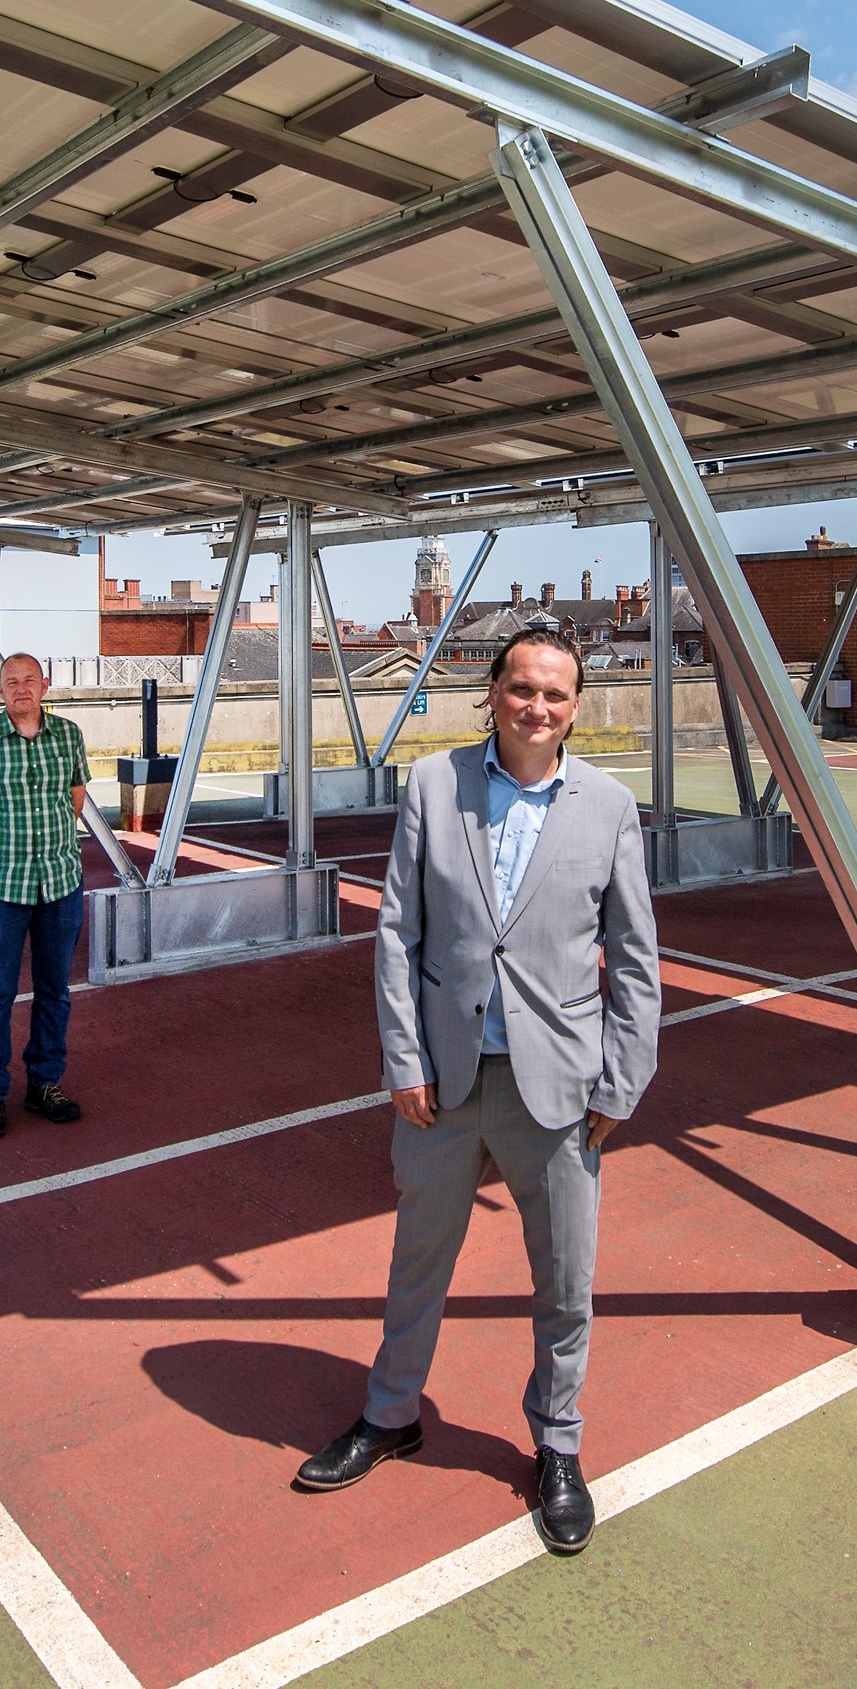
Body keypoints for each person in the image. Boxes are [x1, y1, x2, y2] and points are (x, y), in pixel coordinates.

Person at [295, 623, 660, 1557]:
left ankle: (559, 1446)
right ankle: (390, 1414)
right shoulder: (432, 783)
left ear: (575, 708)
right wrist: (403, 1059)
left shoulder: (612, 807)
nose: (536, 708)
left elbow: (638, 960)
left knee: (565, 1281)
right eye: (521, 689)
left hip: (562, 1089)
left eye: (555, 695)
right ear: (491, 690)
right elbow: (398, 932)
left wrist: (622, 1079)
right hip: (446, 1083)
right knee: (418, 1259)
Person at [0, 651, 95, 1142]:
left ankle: (44, 1084)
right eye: (12, 681)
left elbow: (74, 797)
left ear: (45, 686)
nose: (21, 687)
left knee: (55, 992)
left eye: (30, 679)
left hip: (59, 884)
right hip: (1, 888)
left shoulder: (69, 736)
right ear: (1, 690)